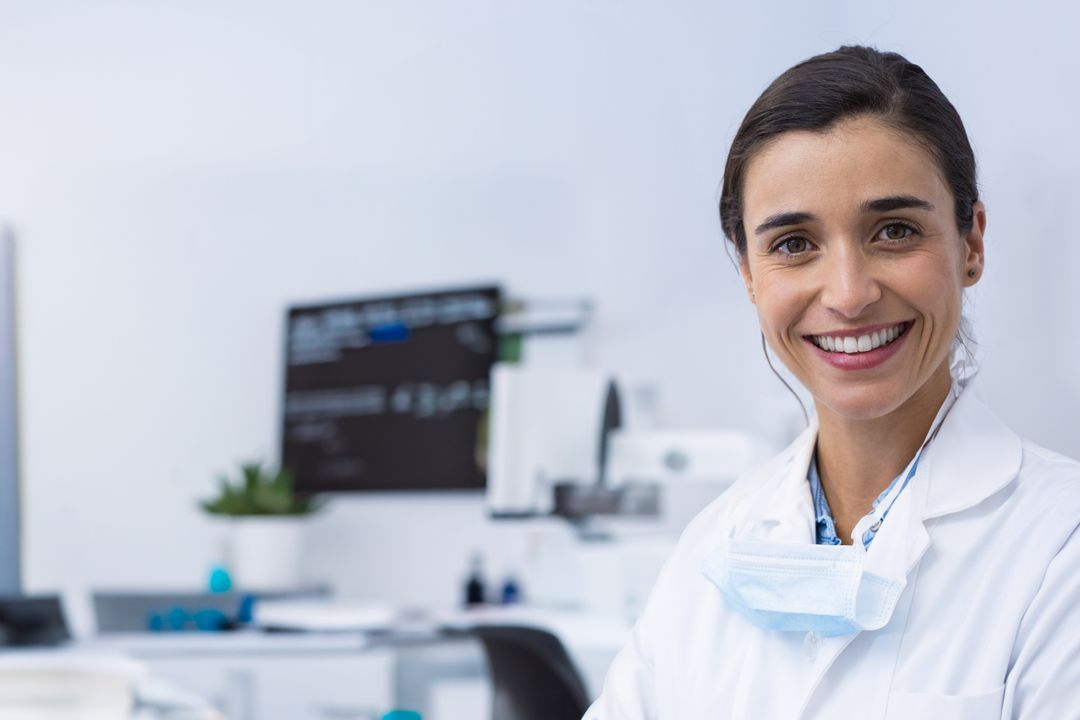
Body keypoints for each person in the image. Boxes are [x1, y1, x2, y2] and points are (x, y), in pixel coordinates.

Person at [584, 46, 1080, 719]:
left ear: (972, 244)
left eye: (895, 231)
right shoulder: (716, 542)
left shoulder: (1059, 547)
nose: (848, 295)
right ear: (750, 275)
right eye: (793, 244)